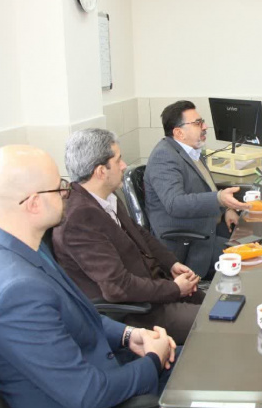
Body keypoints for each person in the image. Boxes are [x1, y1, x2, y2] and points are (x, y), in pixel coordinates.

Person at [0, 145, 176, 408]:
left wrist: (130, 335)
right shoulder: (16, 292)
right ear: (34, 203)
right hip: (95, 395)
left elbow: (79, 315)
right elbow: (89, 395)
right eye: (58, 187)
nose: (66, 193)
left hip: (100, 367)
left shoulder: (14, 247)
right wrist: (153, 361)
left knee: (197, 359)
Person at [52, 129, 204, 345]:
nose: (124, 165)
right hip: (136, 312)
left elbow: (139, 233)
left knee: (220, 304)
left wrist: (171, 263)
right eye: (118, 160)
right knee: (216, 322)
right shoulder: (79, 218)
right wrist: (175, 289)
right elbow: (117, 287)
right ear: (100, 171)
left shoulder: (105, 196)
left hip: (153, 289)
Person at [145, 100, 250, 278]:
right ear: (179, 132)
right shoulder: (164, 156)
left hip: (209, 228)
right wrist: (219, 199)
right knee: (252, 259)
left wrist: (226, 209)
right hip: (190, 244)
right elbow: (175, 203)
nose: (205, 127)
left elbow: (205, 189)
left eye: (202, 122)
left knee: (256, 239)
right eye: (198, 123)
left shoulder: (192, 151)